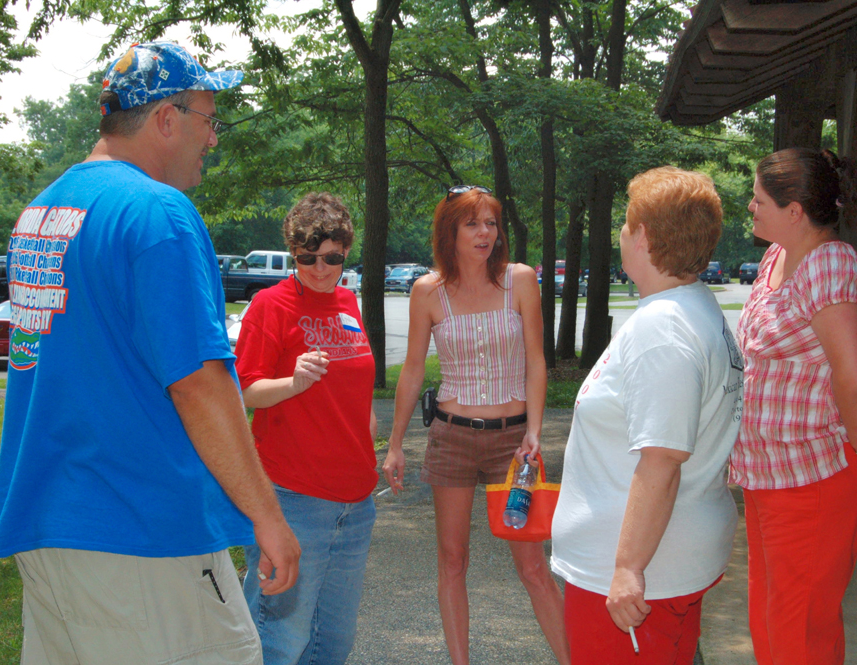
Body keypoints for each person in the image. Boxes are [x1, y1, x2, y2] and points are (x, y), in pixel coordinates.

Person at [0, 41, 300, 664]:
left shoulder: (42, 213)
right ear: (165, 119)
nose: (213, 139)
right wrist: (267, 516)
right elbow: (199, 382)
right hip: (142, 533)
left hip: (48, 527)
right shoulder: (158, 213)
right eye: (209, 120)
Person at [550, 166, 743, 665]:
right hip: (668, 561)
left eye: (625, 223)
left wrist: (628, 568)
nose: (620, 233)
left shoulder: (665, 329)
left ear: (645, 237)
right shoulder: (693, 309)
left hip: (640, 579)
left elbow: (662, 459)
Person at [382, 185, 570, 665]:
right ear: (451, 230)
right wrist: (396, 443)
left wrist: (533, 428)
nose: (485, 232)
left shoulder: (521, 281)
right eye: (472, 223)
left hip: (512, 444)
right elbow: (412, 371)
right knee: (452, 560)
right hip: (452, 437)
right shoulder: (428, 291)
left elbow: (535, 359)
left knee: (532, 566)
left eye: (491, 222)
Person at [732, 147, 857, 664]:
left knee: (801, 633)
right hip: (769, 477)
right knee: (772, 621)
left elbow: (855, 378)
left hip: (814, 479)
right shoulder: (777, 257)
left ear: (794, 210)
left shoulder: (828, 265)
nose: (750, 208)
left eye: (758, 200)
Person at [235, 192, 378, 665]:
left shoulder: (347, 302)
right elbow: (246, 391)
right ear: (293, 253)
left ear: (345, 253)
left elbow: (355, 385)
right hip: (293, 499)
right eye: (307, 258)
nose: (320, 268)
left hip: (355, 503)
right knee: (278, 641)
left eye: (332, 258)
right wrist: (293, 382)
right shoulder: (270, 306)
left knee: (331, 644)